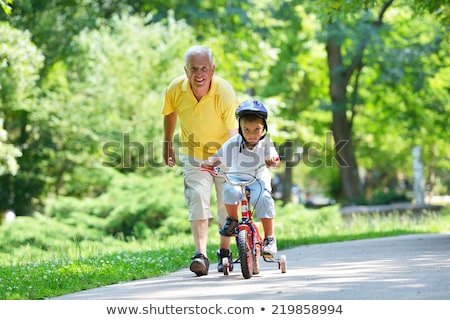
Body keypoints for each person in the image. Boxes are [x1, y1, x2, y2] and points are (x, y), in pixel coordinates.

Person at [161, 45, 239, 276]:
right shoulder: (176, 88)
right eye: (193, 69)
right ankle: (200, 255)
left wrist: (225, 158)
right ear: (186, 70)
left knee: (228, 204)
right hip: (194, 153)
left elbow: (234, 133)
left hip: (225, 152)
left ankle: (224, 251)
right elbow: (170, 113)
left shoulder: (224, 91)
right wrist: (167, 143)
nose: (199, 74)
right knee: (197, 198)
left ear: (212, 69)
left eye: (204, 68)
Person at [202, 100, 280, 258]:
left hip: (258, 178)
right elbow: (218, 156)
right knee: (230, 191)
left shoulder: (265, 143)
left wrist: (272, 160)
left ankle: (269, 238)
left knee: (264, 199)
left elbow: (274, 158)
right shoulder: (234, 142)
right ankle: (232, 219)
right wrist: (209, 162)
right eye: (247, 130)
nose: (252, 134)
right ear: (240, 129)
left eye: (256, 129)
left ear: (264, 127)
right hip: (236, 176)